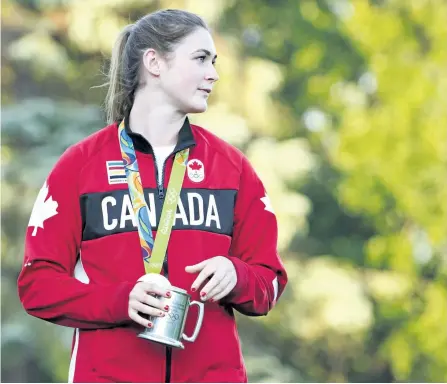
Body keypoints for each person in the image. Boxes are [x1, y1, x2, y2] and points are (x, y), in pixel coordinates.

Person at [17, 8, 288, 383]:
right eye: (201, 59)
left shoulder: (232, 167)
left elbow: (269, 282)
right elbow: (37, 285)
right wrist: (120, 301)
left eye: (214, 61)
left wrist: (236, 275)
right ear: (154, 62)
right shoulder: (80, 166)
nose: (214, 73)